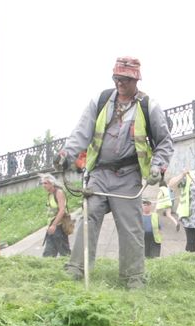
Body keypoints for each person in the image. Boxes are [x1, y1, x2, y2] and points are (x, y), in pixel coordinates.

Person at [57, 57, 174, 289]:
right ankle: (76, 268)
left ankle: (133, 277)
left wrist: (157, 165)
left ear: (136, 79)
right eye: (117, 78)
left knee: (131, 226)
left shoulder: (148, 106)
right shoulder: (100, 101)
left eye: (126, 79)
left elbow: (165, 142)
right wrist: (66, 155)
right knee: (87, 218)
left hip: (128, 175)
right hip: (99, 174)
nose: (120, 82)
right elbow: (81, 132)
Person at [41, 174, 71, 257]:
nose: (43, 185)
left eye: (46, 183)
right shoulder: (50, 195)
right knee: (48, 254)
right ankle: (48, 268)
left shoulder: (59, 193)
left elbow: (62, 210)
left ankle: (70, 267)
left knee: (64, 252)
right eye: (42, 183)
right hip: (52, 227)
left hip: (59, 227)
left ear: (52, 183)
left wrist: (54, 225)